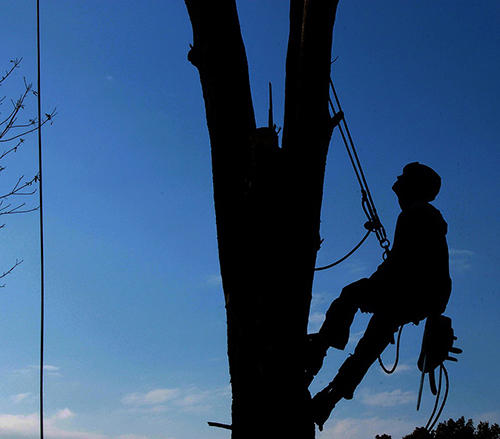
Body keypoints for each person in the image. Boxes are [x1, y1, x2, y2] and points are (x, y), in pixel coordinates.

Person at [306, 162, 452, 431]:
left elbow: (400, 264)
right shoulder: (428, 216)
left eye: (403, 181)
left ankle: (317, 352)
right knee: (370, 345)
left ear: (412, 188)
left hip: (406, 291)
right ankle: (329, 399)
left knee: (350, 295)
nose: (397, 183)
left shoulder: (414, 215)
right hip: (422, 298)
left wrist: (373, 288)